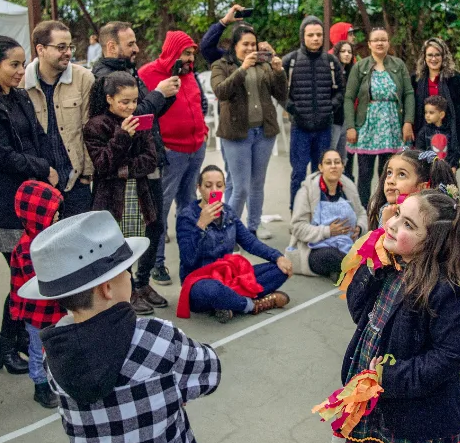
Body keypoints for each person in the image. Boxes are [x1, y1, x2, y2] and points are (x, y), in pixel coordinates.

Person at [17, 210, 221, 443]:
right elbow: (210, 372)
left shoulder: (55, 357)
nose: (130, 276)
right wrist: (171, 392)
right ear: (108, 288)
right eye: (127, 271)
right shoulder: (157, 338)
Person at [336, 190, 460, 443]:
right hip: (370, 395)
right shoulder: (389, 266)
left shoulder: (449, 291)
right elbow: (359, 313)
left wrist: (392, 377)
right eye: (398, 214)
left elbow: (453, 354)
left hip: (418, 409)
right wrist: (371, 265)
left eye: (408, 224)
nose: (392, 223)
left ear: (432, 243)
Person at [0, 36, 55, 377]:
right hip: (4, 205)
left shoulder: (18, 96)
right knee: (24, 278)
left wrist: (49, 168)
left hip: (32, 199)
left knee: (29, 276)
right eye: (14, 64)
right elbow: (1, 155)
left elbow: (38, 136)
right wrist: (42, 168)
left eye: (22, 63)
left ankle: (14, 341)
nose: (21, 70)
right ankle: (5, 344)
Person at [91, 21, 180, 290]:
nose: (137, 48)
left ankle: (142, 284)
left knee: (155, 226)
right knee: (128, 232)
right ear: (111, 46)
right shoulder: (104, 78)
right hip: (124, 173)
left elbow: (146, 118)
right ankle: (128, 289)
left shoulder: (128, 70)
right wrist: (158, 94)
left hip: (148, 159)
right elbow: (131, 118)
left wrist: (167, 97)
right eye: (130, 44)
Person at [83, 71, 164, 316]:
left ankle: (141, 283)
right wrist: (122, 136)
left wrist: (122, 170)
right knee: (119, 244)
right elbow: (102, 164)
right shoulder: (96, 125)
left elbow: (150, 159)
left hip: (140, 193)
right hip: (111, 198)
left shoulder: (139, 120)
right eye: (124, 101)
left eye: (135, 101)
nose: (131, 107)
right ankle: (127, 291)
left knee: (148, 234)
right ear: (109, 99)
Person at [175, 165, 293, 323]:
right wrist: (201, 225)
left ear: (224, 188)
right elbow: (188, 259)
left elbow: (250, 242)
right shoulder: (187, 217)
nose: (214, 190)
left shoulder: (228, 212)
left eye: (219, 185)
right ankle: (252, 305)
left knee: (281, 270)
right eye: (208, 186)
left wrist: (278, 257)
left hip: (229, 275)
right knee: (213, 290)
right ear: (199, 188)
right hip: (200, 281)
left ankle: (229, 303)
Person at [138, 30, 208, 285]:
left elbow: (199, 104)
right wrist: (158, 145)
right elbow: (142, 112)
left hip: (195, 148)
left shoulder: (190, 75)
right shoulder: (148, 74)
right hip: (171, 152)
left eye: (192, 53)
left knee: (188, 206)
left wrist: (203, 131)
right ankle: (156, 264)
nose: (190, 58)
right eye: (186, 53)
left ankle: (190, 259)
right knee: (160, 210)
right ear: (172, 52)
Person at [210, 23, 289, 239]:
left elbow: (281, 93)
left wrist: (279, 71)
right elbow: (221, 91)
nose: (250, 48)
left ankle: (254, 225)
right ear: (234, 45)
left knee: (257, 184)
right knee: (240, 187)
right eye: (245, 44)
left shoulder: (263, 65)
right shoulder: (222, 65)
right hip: (236, 133)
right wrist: (242, 68)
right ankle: (229, 230)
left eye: (253, 44)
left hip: (263, 132)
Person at [24, 21, 94, 217]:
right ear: (41, 49)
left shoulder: (84, 78)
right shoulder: (22, 83)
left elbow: (90, 128)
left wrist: (87, 174)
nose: (68, 53)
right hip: (40, 184)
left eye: (70, 47)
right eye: (61, 47)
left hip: (76, 182)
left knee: (80, 236)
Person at [7, 180, 64, 409]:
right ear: (37, 216)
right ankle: (40, 386)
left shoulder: (50, 239)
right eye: (53, 213)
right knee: (38, 350)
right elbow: (40, 283)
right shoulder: (27, 249)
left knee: (56, 347)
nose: (58, 216)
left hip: (57, 308)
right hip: (38, 313)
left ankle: (57, 380)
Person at [344, 28, 415, 207]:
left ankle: (385, 209)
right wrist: (351, 126)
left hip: (392, 127)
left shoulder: (398, 65)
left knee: (389, 174)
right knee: (365, 173)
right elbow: (349, 97)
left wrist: (408, 122)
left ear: (388, 43)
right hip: (367, 126)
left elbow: (408, 93)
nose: (380, 43)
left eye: (383, 39)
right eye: (376, 40)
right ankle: (364, 210)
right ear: (369, 44)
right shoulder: (360, 67)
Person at [283, 15, 345, 210]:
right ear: (303, 36)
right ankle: (296, 211)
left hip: (324, 128)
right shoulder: (290, 61)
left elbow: (341, 91)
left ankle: (321, 211)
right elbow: (279, 91)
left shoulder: (331, 61)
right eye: (311, 35)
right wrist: (293, 109)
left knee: (323, 174)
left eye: (319, 34)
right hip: (300, 128)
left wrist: (329, 107)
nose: (315, 38)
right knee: (298, 174)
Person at [289, 149, 367, 279]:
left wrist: (359, 228)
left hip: (348, 243)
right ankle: (357, 270)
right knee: (330, 256)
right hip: (316, 248)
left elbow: (362, 213)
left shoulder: (349, 187)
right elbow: (297, 227)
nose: (333, 166)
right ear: (320, 167)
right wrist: (328, 231)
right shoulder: (306, 192)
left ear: (342, 166)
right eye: (328, 163)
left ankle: (344, 271)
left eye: (337, 162)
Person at [414, 37, 460, 161]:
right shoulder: (417, 79)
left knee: (447, 167)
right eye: (430, 55)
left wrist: (454, 113)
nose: (433, 59)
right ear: (424, 57)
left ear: (443, 56)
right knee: (424, 166)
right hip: (425, 133)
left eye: (437, 55)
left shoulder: (453, 78)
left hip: (448, 134)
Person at [414, 96, 460, 169]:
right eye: (426, 112)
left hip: (446, 168)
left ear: (441, 115)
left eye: (431, 113)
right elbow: (419, 151)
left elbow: (454, 150)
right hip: (429, 169)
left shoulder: (449, 131)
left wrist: (454, 166)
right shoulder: (423, 132)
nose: (427, 115)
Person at [332, 40, 356, 166]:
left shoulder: (352, 72)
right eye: (343, 51)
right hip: (333, 120)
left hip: (346, 121)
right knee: (331, 155)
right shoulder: (332, 72)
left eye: (349, 52)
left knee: (342, 158)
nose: (346, 54)